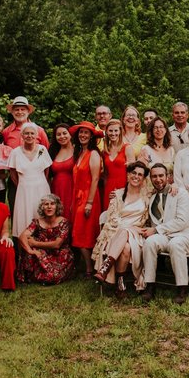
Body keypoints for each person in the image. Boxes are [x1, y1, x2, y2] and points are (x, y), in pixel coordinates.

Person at [141, 163, 189, 303]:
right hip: (165, 236)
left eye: (161, 175)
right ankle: (150, 286)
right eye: (154, 176)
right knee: (149, 242)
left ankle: (181, 289)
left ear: (168, 177)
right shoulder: (152, 196)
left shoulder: (180, 193)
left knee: (175, 244)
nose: (158, 179)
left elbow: (181, 221)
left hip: (184, 235)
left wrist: (155, 230)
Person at [93, 161, 151, 298]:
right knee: (125, 246)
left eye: (140, 175)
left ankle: (105, 268)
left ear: (143, 179)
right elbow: (112, 219)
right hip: (115, 233)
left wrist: (173, 187)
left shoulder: (147, 197)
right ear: (128, 174)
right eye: (134, 173)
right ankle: (120, 283)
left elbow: (163, 186)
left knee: (127, 234)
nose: (136, 176)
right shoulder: (117, 195)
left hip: (136, 235)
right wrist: (126, 228)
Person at [7, 122, 53, 238]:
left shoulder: (42, 150)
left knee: (42, 215)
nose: (29, 136)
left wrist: (40, 181)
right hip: (24, 190)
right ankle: (24, 251)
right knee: (24, 220)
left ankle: (43, 247)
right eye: (26, 133)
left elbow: (47, 170)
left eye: (32, 133)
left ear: (37, 136)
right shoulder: (16, 152)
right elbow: (12, 173)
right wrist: (22, 185)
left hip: (41, 188)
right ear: (22, 136)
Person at [17, 194, 74, 285]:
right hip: (43, 253)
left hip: (59, 253)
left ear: (57, 206)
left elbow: (57, 245)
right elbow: (22, 236)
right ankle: (33, 276)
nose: (49, 207)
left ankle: (45, 276)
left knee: (53, 276)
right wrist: (30, 250)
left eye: (52, 204)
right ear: (42, 207)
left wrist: (35, 243)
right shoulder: (37, 222)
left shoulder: (64, 222)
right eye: (46, 204)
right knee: (27, 246)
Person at [69, 121, 103, 277]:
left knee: (83, 232)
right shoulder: (79, 152)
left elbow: (95, 179)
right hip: (77, 196)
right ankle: (90, 266)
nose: (83, 135)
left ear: (91, 137)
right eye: (81, 132)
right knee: (79, 231)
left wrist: (89, 202)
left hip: (89, 197)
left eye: (86, 133)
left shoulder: (93, 154)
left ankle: (91, 268)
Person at [100, 118, 133, 213]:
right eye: (110, 131)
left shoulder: (127, 148)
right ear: (106, 132)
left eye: (116, 130)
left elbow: (132, 173)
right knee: (108, 216)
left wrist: (125, 191)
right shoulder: (104, 151)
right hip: (109, 188)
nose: (113, 133)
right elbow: (105, 174)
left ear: (120, 131)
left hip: (124, 187)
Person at [48, 123, 76, 230]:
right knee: (57, 215)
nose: (62, 136)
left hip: (72, 188)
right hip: (56, 188)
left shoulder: (77, 150)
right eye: (58, 134)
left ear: (70, 135)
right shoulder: (53, 151)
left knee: (71, 214)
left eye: (65, 133)